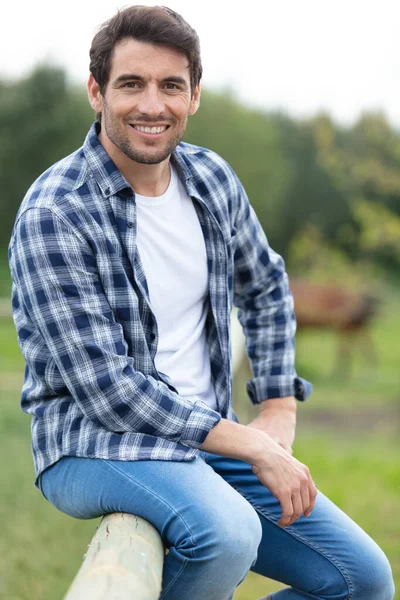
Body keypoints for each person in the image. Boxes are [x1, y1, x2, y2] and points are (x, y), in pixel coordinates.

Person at [8, 6, 394, 600]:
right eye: (130, 84)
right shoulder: (54, 214)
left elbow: (266, 287)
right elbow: (108, 389)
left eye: (171, 85)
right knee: (229, 532)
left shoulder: (211, 178)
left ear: (194, 97)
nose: (151, 105)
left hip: (206, 434)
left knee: (361, 582)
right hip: (91, 441)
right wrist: (251, 443)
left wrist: (278, 408)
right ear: (96, 92)